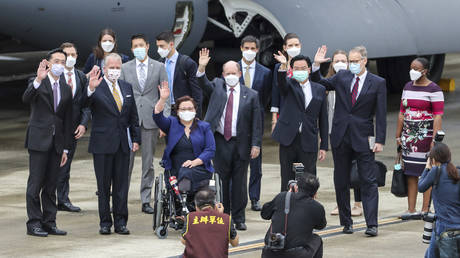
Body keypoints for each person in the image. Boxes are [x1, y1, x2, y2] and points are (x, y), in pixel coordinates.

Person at [312, 45, 387, 236]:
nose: (351, 64)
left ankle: (372, 224)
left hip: (363, 136)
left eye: (355, 61)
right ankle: (347, 222)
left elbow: (381, 113)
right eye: (350, 61)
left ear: (364, 61)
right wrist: (315, 66)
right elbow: (320, 83)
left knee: (368, 180)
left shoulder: (377, 82)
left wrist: (380, 139)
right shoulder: (342, 77)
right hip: (341, 135)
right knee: (341, 180)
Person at [196, 48, 262, 231]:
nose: (231, 76)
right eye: (228, 73)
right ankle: (223, 216)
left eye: (234, 73)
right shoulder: (217, 86)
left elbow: (257, 123)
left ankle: (239, 217)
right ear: (223, 74)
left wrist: (256, 144)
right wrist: (201, 68)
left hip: (241, 143)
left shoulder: (252, 95)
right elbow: (203, 84)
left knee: (240, 182)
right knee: (221, 181)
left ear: (239, 74)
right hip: (220, 142)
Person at [85, 53, 140, 235]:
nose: (115, 70)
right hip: (102, 144)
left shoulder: (126, 87)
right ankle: (105, 222)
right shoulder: (96, 86)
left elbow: (132, 116)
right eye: (112, 67)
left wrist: (136, 138)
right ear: (104, 68)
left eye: (118, 67)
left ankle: (121, 221)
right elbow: (83, 104)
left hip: (123, 144)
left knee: (121, 185)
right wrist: (90, 90)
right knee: (103, 186)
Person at [23, 48, 73, 237]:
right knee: (35, 184)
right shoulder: (38, 82)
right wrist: (38, 79)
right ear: (49, 63)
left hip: (57, 143)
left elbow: (67, 120)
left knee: (51, 185)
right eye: (57, 61)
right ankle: (34, 223)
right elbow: (26, 98)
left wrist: (66, 148)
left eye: (63, 61)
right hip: (38, 141)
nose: (60, 65)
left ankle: (49, 222)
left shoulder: (66, 88)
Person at [120, 33, 170, 214]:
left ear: (148, 46)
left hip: (151, 119)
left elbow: (165, 94)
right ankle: (121, 197)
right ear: (132, 49)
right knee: (126, 162)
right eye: (135, 46)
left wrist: (164, 121)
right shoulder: (125, 68)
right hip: (130, 121)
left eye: (141, 45)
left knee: (148, 163)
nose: (138, 48)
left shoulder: (159, 67)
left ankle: (145, 199)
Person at [271, 53, 328, 191]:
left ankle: (306, 205)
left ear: (309, 70)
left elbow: (323, 118)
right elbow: (281, 82)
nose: (300, 71)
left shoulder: (319, 89)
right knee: (287, 175)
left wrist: (324, 145)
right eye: (296, 69)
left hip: (308, 138)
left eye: (303, 68)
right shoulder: (289, 85)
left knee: (307, 176)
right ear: (292, 70)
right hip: (288, 138)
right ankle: (287, 206)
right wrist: (284, 65)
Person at [396, 57, 444, 218]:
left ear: (425, 71)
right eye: (411, 68)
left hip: (426, 137)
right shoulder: (407, 86)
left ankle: (425, 209)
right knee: (410, 173)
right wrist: (398, 135)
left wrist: (434, 140)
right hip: (409, 138)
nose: (413, 71)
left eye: (416, 69)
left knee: (426, 172)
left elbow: (438, 116)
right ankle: (411, 209)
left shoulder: (434, 89)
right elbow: (402, 112)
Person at [153, 91, 216, 193]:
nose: (187, 111)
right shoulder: (171, 123)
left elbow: (210, 150)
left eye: (190, 109)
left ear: (195, 110)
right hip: (175, 169)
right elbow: (158, 117)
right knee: (183, 171)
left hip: (199, 168)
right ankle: (183, 198)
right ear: (177, 111)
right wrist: (163, 99)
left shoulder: (204, 127)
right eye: (183, 109)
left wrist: (194, 162)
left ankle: (184, 197)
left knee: (186, 172)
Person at [325, 50, 363, 217]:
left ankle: (358, 203)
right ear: (332, 63)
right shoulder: (329, 84)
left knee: (356, 168)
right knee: (340, 170)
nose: (340, 63)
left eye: (343, 60)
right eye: (336, 60)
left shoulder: (352, 81)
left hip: (354, 132)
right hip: (335, 132)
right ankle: (342, 204)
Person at [56, 42, 91, 213]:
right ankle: (48, 198)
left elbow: (85, 104)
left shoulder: (80, 77)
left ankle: (62, 199)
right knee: (51, 164)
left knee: (66, 166)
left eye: (73, 55)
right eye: (66, 55)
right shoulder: (54, 76)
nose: (70, 58)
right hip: (55, 129)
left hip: (73, 130)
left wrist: (83, 124)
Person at [238, 35, 272, 211]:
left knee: (256, 163)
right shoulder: (233, 70)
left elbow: (265, 96)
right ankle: (239, 196)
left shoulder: (265, 72)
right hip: (237, 119)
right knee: (238, 162)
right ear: (241, 48)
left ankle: (255, 198)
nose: (249, 51)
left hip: (256, 120)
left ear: (257, 50)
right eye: (246, 48)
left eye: (253, 48)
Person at [261, 173, 326, 258]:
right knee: (316, 239)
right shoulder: (317, 207)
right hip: (296, 254)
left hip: (269, 252)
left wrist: (287, 195)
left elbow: (264, 214)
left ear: (296, 187)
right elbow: (321, 226)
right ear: (315, 193)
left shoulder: (282, 196)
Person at [418, 143, 460, 258]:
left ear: (434, 159)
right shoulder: (457, 172)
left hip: (445, 228)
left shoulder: (436, 171)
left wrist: (427, 168)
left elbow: (421, 187)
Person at [180, 188, 239, 258]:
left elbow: (184, 241)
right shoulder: (226, 218)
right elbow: (235, 243)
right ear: (215, 205)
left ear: (196, 207)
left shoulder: (190, 217)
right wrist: (220, 215)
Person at [156, 31, 202, 116]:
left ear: (171, 44)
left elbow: (196, 91)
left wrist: (197, 115)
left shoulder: (187, 63)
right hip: (166, 111)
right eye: (158, 46)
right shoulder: (160, 64)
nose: (159, 50)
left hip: (183, 111)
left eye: (162, 46)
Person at [270, 33, 302, 133]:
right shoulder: (279, 67)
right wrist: (274, 120)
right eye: (290, 45)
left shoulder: (307, 66)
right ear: (285, 47)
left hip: (302, 113)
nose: (294, 48)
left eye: (296, 45)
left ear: (300, 46)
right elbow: (276, 93)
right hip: (285, 113)